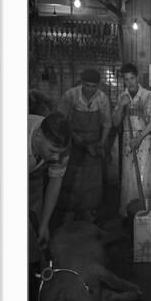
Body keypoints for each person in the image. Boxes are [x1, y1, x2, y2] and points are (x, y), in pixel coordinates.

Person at [57, 69, 112, 219]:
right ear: (82, 83)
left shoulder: (102, 99)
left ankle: (90, 211)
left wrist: (101, 143)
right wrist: (77, 139)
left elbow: (107, 123)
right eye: (87, 85)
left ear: (98, 86)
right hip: (73, 143)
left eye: (93, 86)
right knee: (72, 177)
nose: (90, 89)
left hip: (94, 144)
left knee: (92, 179)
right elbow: (61, 122)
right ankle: (69, 211)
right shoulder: (70, 96)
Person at [112, 63, 151, 218]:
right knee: (128, 176)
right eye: (126, 79)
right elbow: (116, 122)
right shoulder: (122, 97)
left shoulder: (146, 95)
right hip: (127, 140)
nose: (130, 82)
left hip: (144, 139)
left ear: (137, 77)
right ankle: (127, 213)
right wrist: (120, 106)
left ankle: (144, 211)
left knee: (144, 177)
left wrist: (139, 138)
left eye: (132, 78)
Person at [28, 111, 71, 249]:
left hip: (34, 171)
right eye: (52, 151)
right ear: (39, 136)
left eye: (60, 152)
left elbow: (55, 180)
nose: (57, 158)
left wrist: (44, 224)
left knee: (33, 230)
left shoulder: (61, 143)